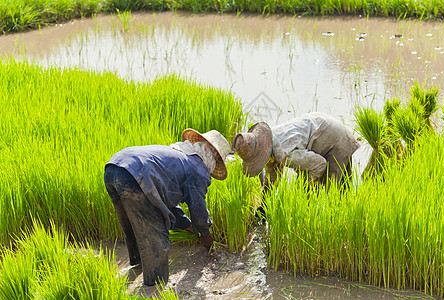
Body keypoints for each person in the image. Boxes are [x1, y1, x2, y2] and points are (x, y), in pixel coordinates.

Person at [104, 129, 231, 286]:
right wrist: (205, 234)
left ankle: (138, 264)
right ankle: (154, 287)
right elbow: (198, 210)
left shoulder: (179, 154)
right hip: (136, 174)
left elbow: (165, 203)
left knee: (132, 223)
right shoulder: (198, 170)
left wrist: (187, 226)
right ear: (214, 158)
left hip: (114, 166)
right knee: (156, 235)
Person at [232, 112, 360, 217]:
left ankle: (341, 229)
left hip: (335, 140)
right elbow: (272, 179)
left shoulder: (283, 153)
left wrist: (306, 188)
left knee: (334, 193)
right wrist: (264, 206)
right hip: (321, 126)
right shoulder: (268, 143)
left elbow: (320, 164)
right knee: (312, 190)